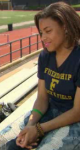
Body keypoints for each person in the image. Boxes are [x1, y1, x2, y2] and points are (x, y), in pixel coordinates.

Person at [6, 2, 80, 150]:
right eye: (41, 33)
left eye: (48, 31)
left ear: (65, 27)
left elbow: (77, 112)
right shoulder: (45, 57)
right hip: (50, 112)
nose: (43, 37)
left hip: (74, 120)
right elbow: (42, 98)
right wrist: (30, 126)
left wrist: (39, 129)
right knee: (5, 141)